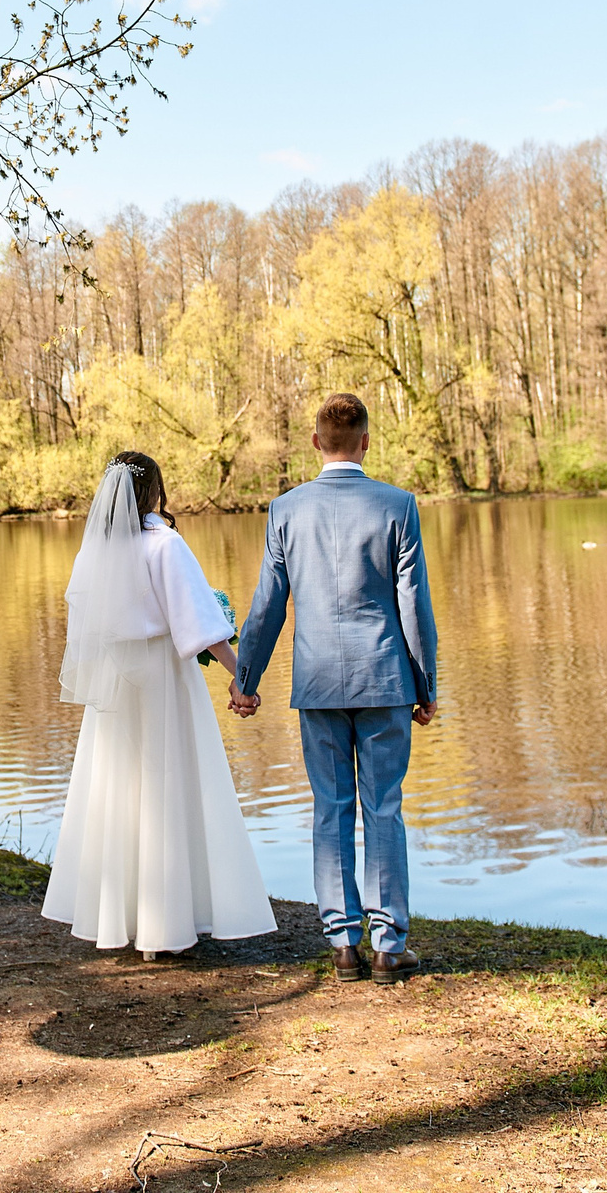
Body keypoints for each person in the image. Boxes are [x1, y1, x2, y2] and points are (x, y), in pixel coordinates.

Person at [230, 392, 439, 982]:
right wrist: (425, 684)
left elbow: (268, 605)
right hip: (385, 680)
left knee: (330, 810)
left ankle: (344, 942)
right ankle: (388, 944)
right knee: (384, 808)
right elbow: (413, 607)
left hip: (318, 682)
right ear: (366, 442)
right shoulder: (398, 505)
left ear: (317, 442)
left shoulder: (286, 510)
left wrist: (246, 679)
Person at [43, 450, 277, 957]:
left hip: (116, 687)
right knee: (167, 787)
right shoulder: (164, 546)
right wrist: (243, 678)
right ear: (153, 492)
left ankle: (121, 919)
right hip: (162, 681)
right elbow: (201, 625)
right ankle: (165, 926)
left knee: (120, 791)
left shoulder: (94, 553)